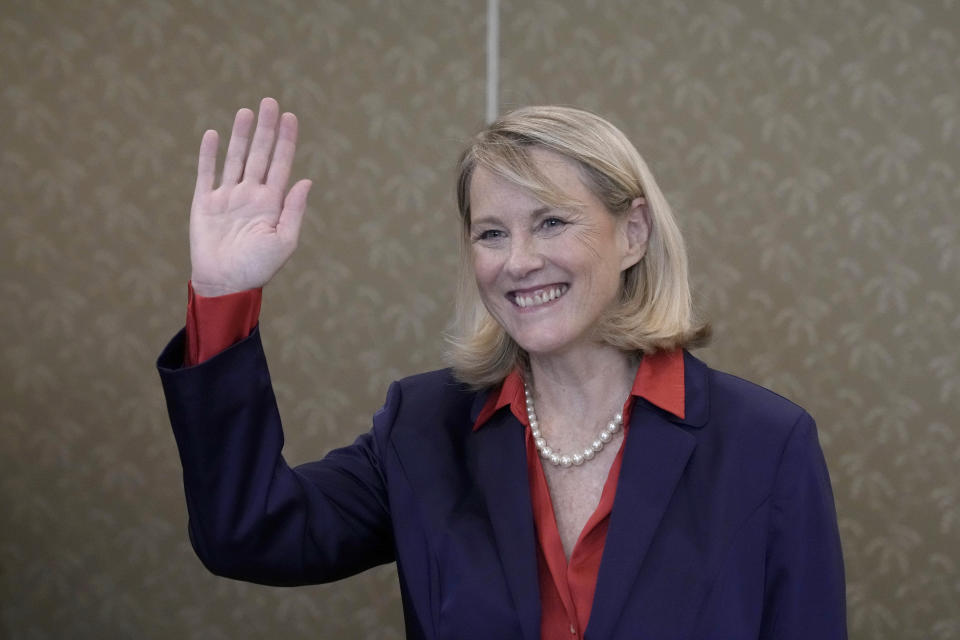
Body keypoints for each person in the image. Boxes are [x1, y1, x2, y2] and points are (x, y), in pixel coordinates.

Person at [157, 97, 847, 639]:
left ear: (632, 233)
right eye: (491, 233)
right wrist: (223, 295)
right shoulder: (423, 428)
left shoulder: (767, 443)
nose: (518, 261)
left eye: (551, 223)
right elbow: (248, 534)